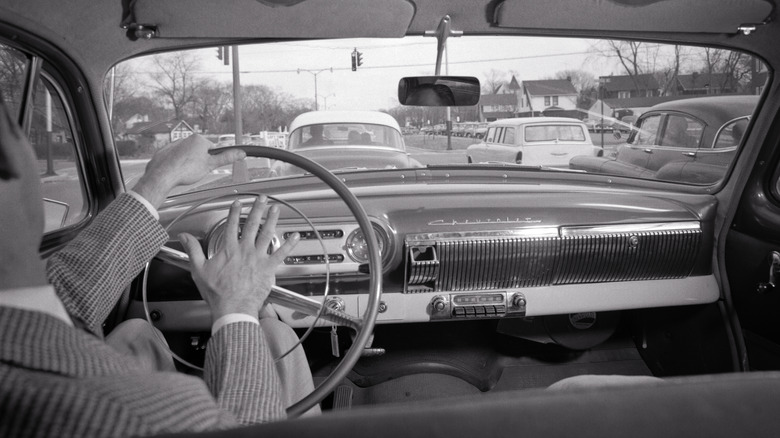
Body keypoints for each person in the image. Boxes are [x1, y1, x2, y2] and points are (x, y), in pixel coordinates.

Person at [0, 97, 315, 437]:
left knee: (136, 332)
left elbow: (65, 298)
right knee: (274, 336)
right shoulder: (137, 415)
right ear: (9, 159)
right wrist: (239, 306)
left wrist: (160, 179)